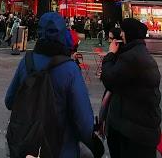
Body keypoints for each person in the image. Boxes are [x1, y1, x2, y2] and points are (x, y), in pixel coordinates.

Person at [5, 12, 96, 158]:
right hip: (60, 147)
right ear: (62, 33)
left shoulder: (26, 61)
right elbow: (84, 122)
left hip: (27, 145)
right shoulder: (70, 68)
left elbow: (9, 101)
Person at [101, 18, 161, 158]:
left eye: (122, 31)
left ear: (128, 33)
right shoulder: (139, 52)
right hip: (140, 126)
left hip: (134, 132)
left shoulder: (131, 57)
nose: (121, 34)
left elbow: (109, 79)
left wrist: (110, 55)